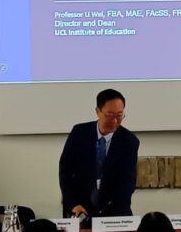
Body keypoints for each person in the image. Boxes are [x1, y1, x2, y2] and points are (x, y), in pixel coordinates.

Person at [59, 89, 140, 222]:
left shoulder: (129, 141)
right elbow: (65, 172)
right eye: (110, 115)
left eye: (120, 115)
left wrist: (111, 218)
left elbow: (128, 183)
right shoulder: (79, 133)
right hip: (79, 210)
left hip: (115, 212)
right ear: (98, 111)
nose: (115, 120)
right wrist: (74, 204)